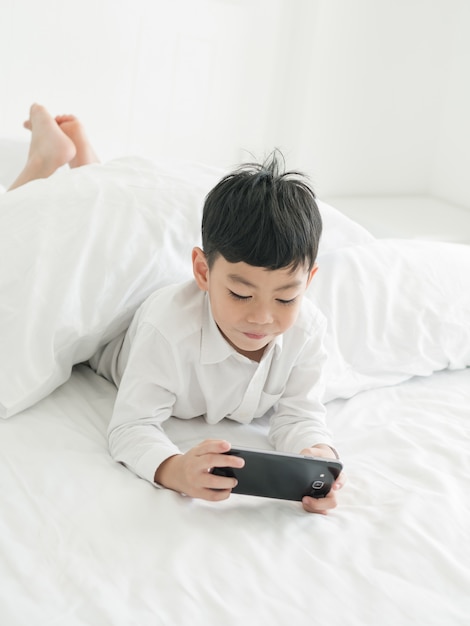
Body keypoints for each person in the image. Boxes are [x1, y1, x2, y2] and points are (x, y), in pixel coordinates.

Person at [13, 104, 345, 515]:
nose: (263, 317)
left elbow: (301, 415)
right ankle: (46, 160)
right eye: (241, 295)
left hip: (181, 290)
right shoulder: (168, 330)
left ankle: (81, 153)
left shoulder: (308, 331)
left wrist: (317, 456)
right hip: (119, 318)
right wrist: (173, 469)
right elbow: (132, 427)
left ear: (308, 283)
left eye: (285, 298)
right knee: (43, 229)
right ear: (203, 273)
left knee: (103, 208)